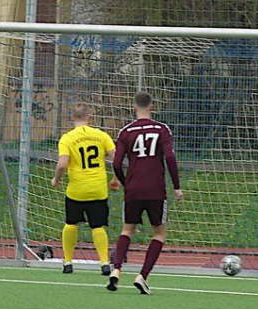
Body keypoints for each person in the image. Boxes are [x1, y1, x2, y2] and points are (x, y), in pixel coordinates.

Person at [107, 91, 183, 295]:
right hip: (156, 190)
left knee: (127, 230)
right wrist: (176, 186)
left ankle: (116, 270)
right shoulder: (161, 129)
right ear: (152, 106)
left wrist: (125, 182)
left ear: (134, 107)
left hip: (133, 189)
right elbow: (170, 158)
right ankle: (142, 276)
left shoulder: (126, 131)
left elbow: (116, 162)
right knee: (159, 233)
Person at [51, 103, 118, 275]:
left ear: (72, 118)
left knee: (71, 223)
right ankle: (104, 262)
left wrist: (56, 179)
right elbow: (116, 158)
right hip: (98, 188)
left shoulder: (67, 138)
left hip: (77, 190)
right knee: (97, 226)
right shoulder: (101, 135)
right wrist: (116, 178)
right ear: (90, 117)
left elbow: (62, 164)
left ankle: (67, 262)